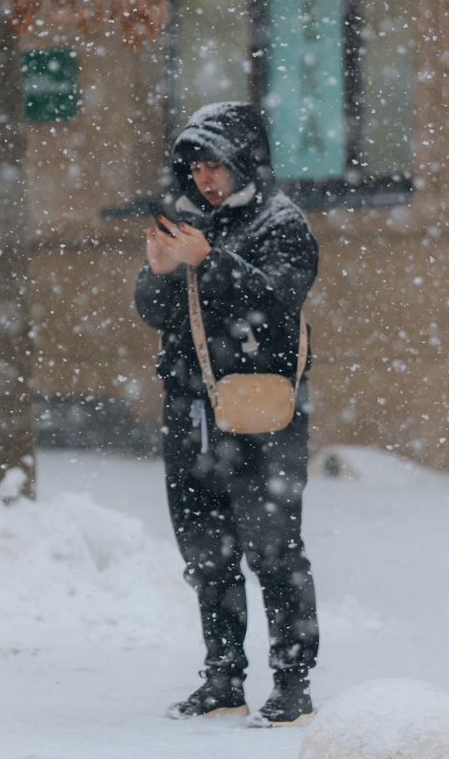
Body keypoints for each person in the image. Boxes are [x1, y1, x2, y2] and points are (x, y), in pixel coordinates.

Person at [133, 101, 320, 727]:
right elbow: (159, 313)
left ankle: (292, 682)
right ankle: (222, 675)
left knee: (274, 552)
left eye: (216, 165)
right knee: (206, 552)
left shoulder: (282, 224)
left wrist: (207, 259)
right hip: (190, 411)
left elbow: (277, 300)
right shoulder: (193, 224)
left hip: (260, 418)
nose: (207, 180)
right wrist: (161, 272)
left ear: (246, 160)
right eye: (197, 168)